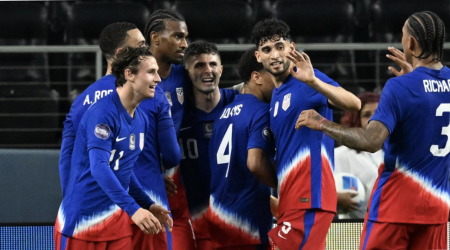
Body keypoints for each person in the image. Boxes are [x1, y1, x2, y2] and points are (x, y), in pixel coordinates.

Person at [295, 11, 450, 250]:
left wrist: (322, 123)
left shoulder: (400, 86)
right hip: (437, 209)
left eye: (402, 35)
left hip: (395, 207)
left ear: (411, 43)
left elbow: (371, 141)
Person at [251, 18, 361, 250]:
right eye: (267, 49)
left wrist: (313, 80)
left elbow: (354, 104)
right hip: (289, 199)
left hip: (311, 196)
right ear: (258, 56)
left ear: (291, 48)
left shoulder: (307, 79)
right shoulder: (275, 99)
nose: (275, 55)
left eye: (280, 46)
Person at [54, 47, 172, 250]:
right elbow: (99, 167)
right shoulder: (103, 113)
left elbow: (124, 170)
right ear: (129, 74)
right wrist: (134, 209)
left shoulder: (141, 119)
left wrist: (147, 204)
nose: (158, 79)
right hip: (82, 224)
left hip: (117, 227)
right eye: (151, 72)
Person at [59, 22, 146, 198]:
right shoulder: (145, 95)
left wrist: (69, 200)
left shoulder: (81, 100)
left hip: (90, 202)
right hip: (135, 204)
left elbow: (66, 157)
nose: (147, 52)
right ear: (121, 54)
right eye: (140, 47)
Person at [207, 48, 277, 250]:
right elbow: (254, 163)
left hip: (218, 219)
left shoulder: (222, 114)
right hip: (248, 223)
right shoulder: (262, 111)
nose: (279, 81)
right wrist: (284, 188)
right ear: (256, 77)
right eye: (272, 75)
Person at [144, 9, 197, 250]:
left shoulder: (184, 76)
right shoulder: (135, 79)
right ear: (155, 38)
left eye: (185, 37)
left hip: (174, 180)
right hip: (141, 180)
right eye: (177, 37)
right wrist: (148, 173)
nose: (184, 44)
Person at [178, 41, 239, 249]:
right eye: (199, 65)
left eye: (213, 64)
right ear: (187, 72)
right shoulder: (176, 116)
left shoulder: (240, 104)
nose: (208, 70)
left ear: (221, 69)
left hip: (236, 223)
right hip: (190, 224)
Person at [334, 92, 382, 219]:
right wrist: (336, 197)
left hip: (388, 224)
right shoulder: (341, 155)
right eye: (367, 115)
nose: (373, 119)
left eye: (377, 113)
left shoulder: (391, 152)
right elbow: (319, 188)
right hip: (352, 228)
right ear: (356, 120)